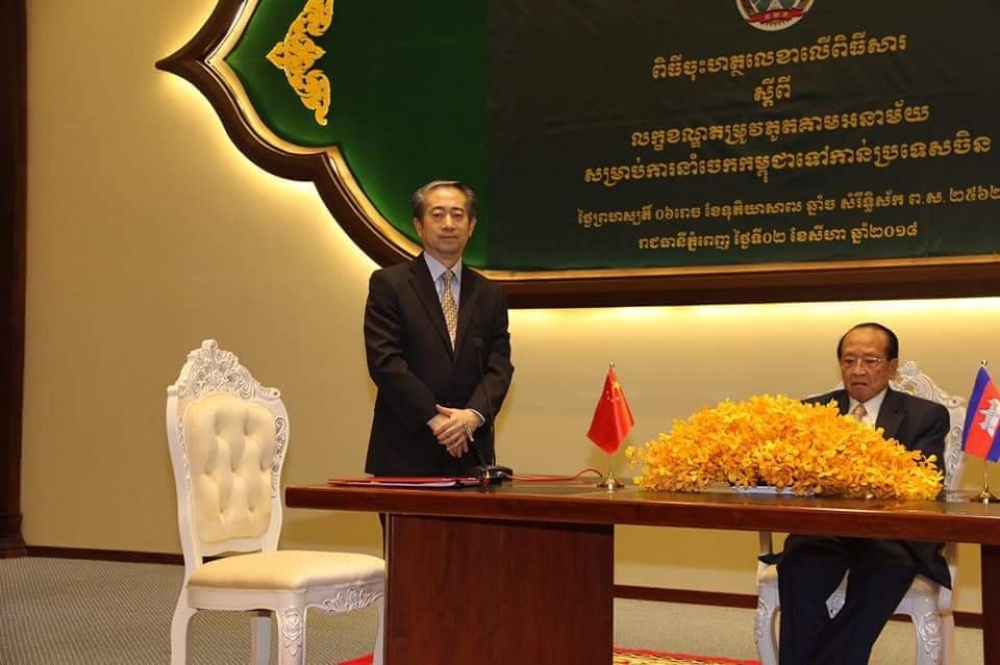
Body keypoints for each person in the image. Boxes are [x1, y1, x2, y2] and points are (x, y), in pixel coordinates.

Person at [775, 322, 950, 665]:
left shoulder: (924, 416)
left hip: (890, 536)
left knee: (884, 575)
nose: (857, 370)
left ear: (892, 366)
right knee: (797, 569)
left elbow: (927, 482)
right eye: (849, 360)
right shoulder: (811, 413)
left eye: (870, 361)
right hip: (824, 531)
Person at [363, 180, 514, 478]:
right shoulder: (389, 284)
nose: (448, 224)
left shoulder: (490, 293)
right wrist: (436, 420)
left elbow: (499, 367)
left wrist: (471, 417)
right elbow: (386, 362)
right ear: (419, 225)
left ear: (471, 226)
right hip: (406, 450)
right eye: (437, 214)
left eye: (458, 215)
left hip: (472, 450)